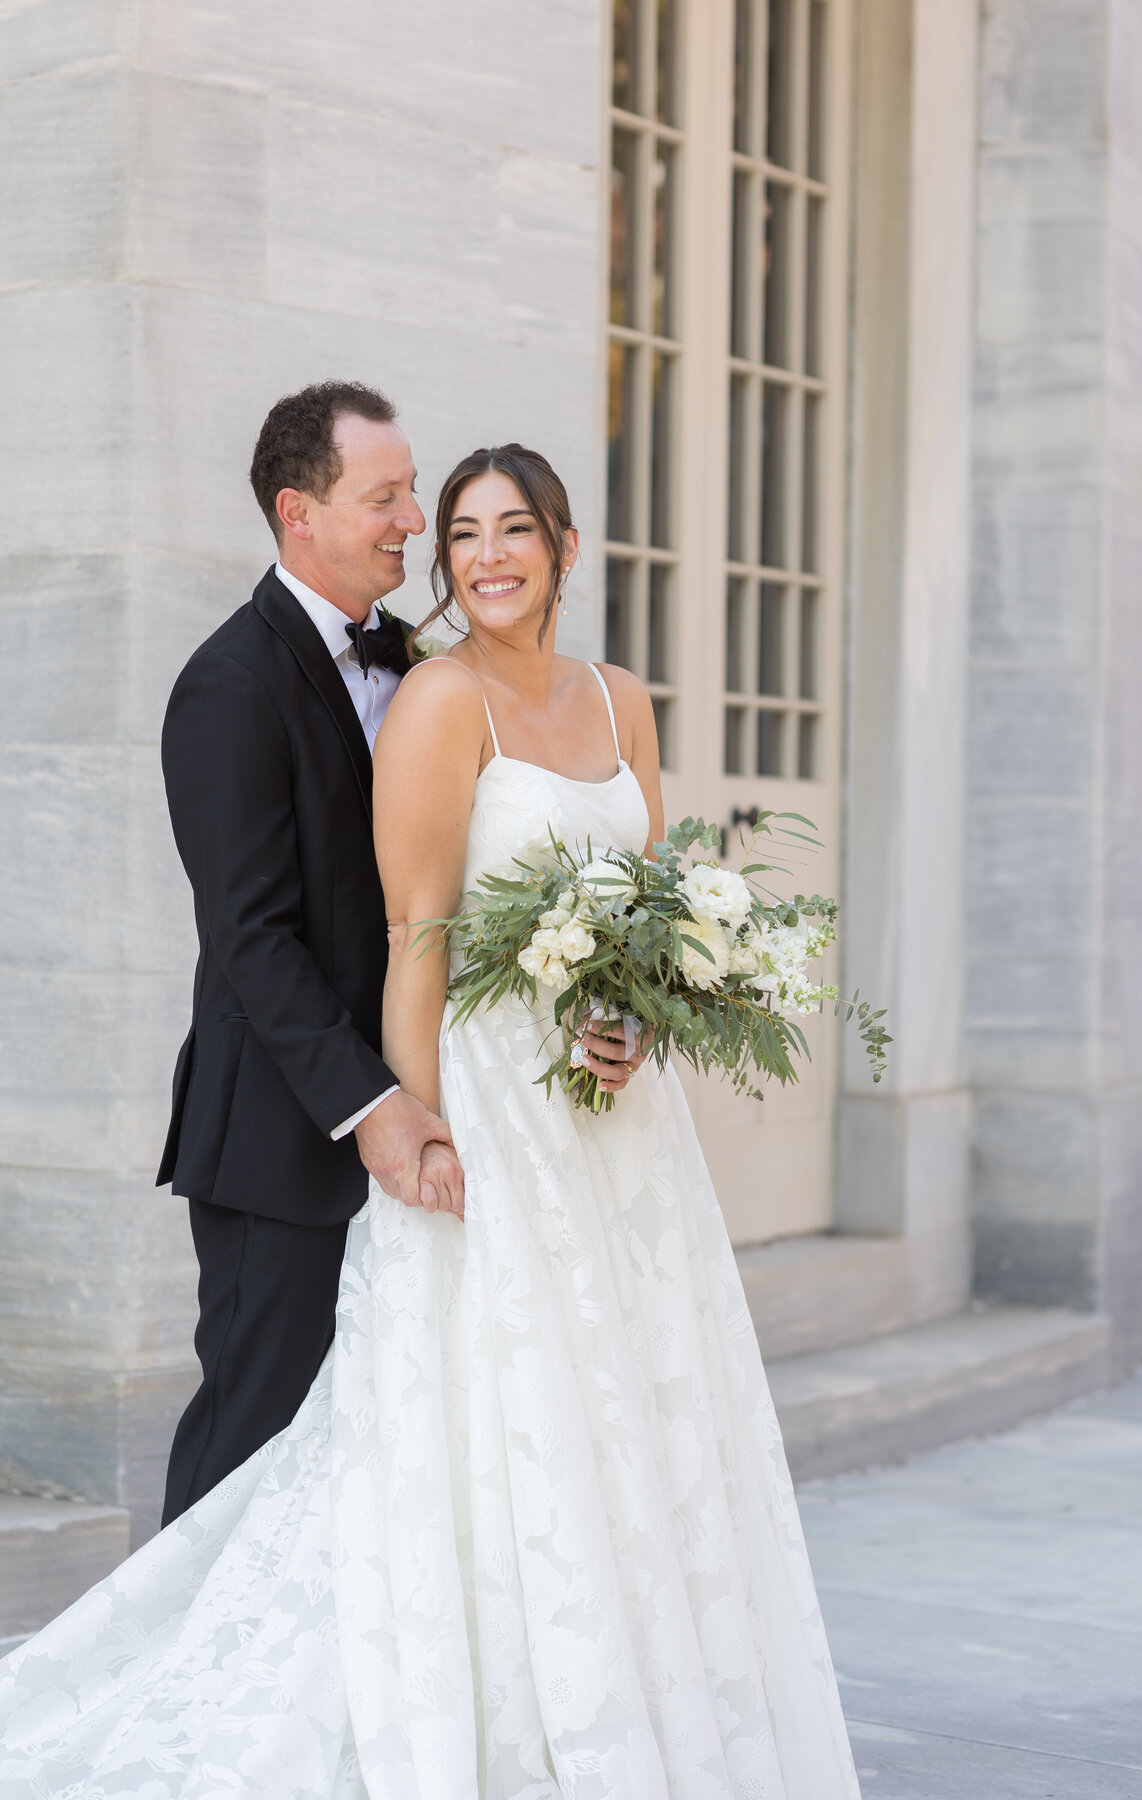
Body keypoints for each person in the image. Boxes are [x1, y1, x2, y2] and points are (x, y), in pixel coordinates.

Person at [0, 443, 860, 1798]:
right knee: (494, 1409)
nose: (484, 555)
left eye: (514, 528)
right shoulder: (439, 702)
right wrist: (420, 1123)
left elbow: (642, 897)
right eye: (461, 533)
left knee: (632, 1404)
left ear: (566, 544)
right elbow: (420, 937)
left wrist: (633, 1014)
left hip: (622, 1127)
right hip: (493, 1104)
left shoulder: (624, 700)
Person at [154, 381, 633, 1526]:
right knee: (252, 1457)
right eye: (389, 497)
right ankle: (190, 1690)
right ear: (297, 512)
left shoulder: (426, 665)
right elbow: (253, 941)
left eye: (414, 491)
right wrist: (375, 1105)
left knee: (381, 1466)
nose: (415, 522)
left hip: (450, 1111)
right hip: (289, 1132)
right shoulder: (227, 686)